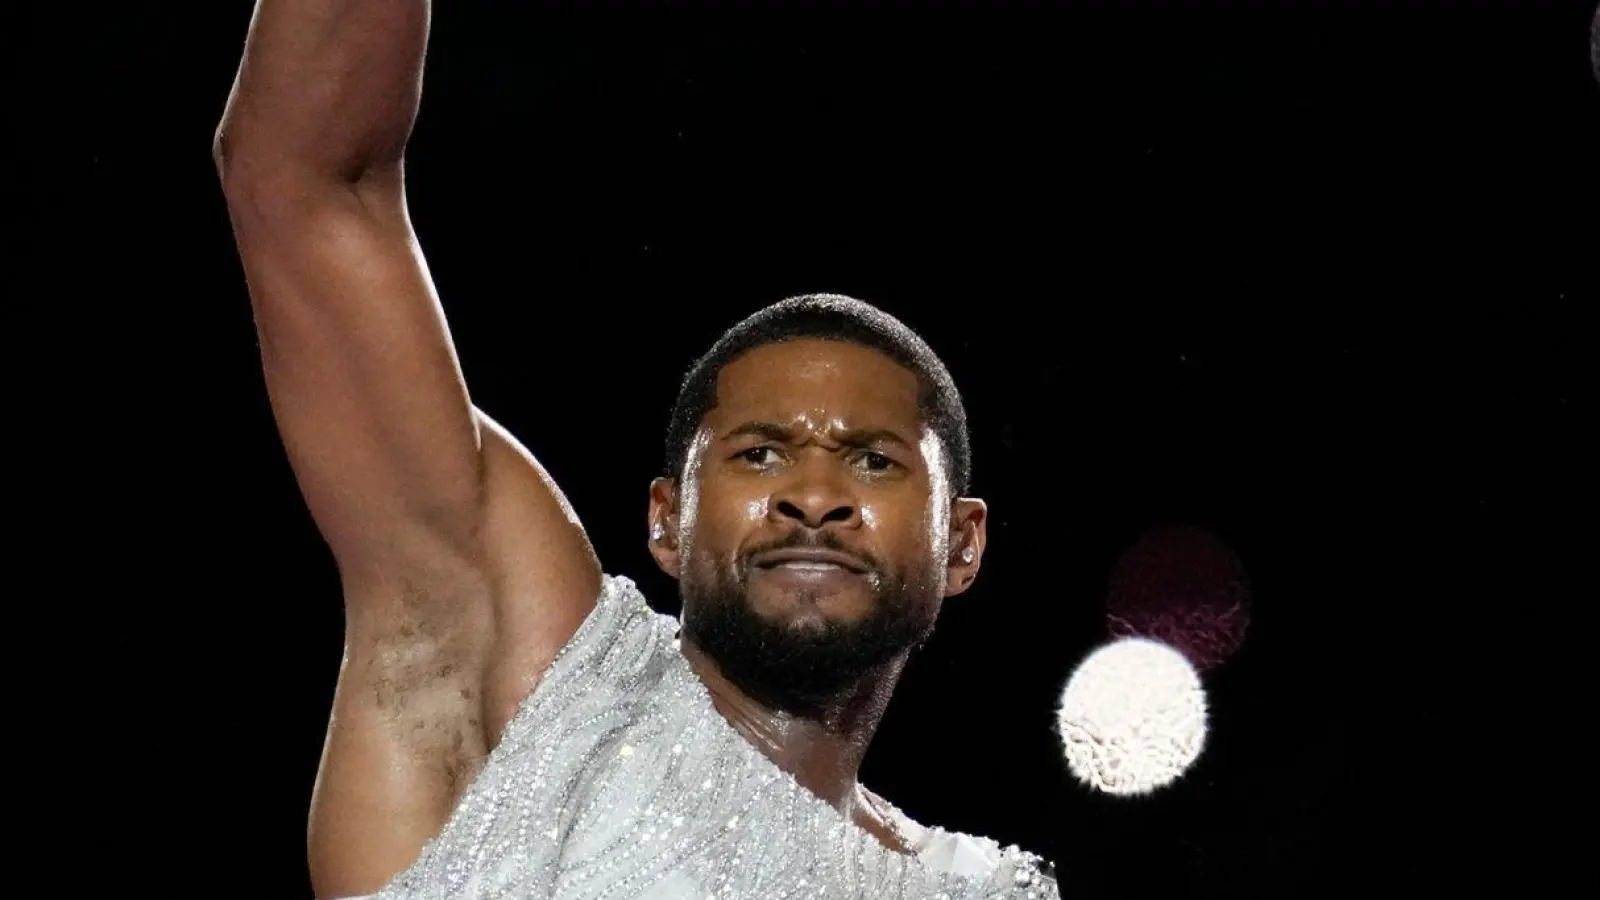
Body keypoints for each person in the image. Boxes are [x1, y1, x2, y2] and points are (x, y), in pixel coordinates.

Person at [215, 2, 1059, 897]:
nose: (813, 495)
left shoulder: (981, 889)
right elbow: (308, 187)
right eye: (759, 456)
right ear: (666, 518)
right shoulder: (534, 683)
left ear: (962, 543)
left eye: (873, 461)